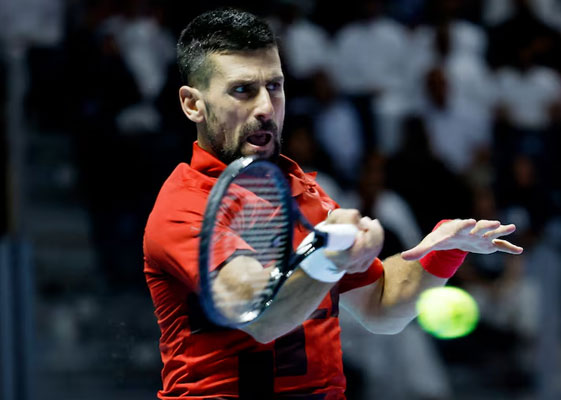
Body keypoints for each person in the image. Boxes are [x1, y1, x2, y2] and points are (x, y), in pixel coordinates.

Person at [143, 8, 523, 399]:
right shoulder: (185, 209)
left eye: (274, 87)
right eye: (243, 90)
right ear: (193, 104)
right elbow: (261, 316)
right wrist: (332, 253)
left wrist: (444, 251)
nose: (265, 107)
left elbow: (380, 307)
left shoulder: (306, 193)